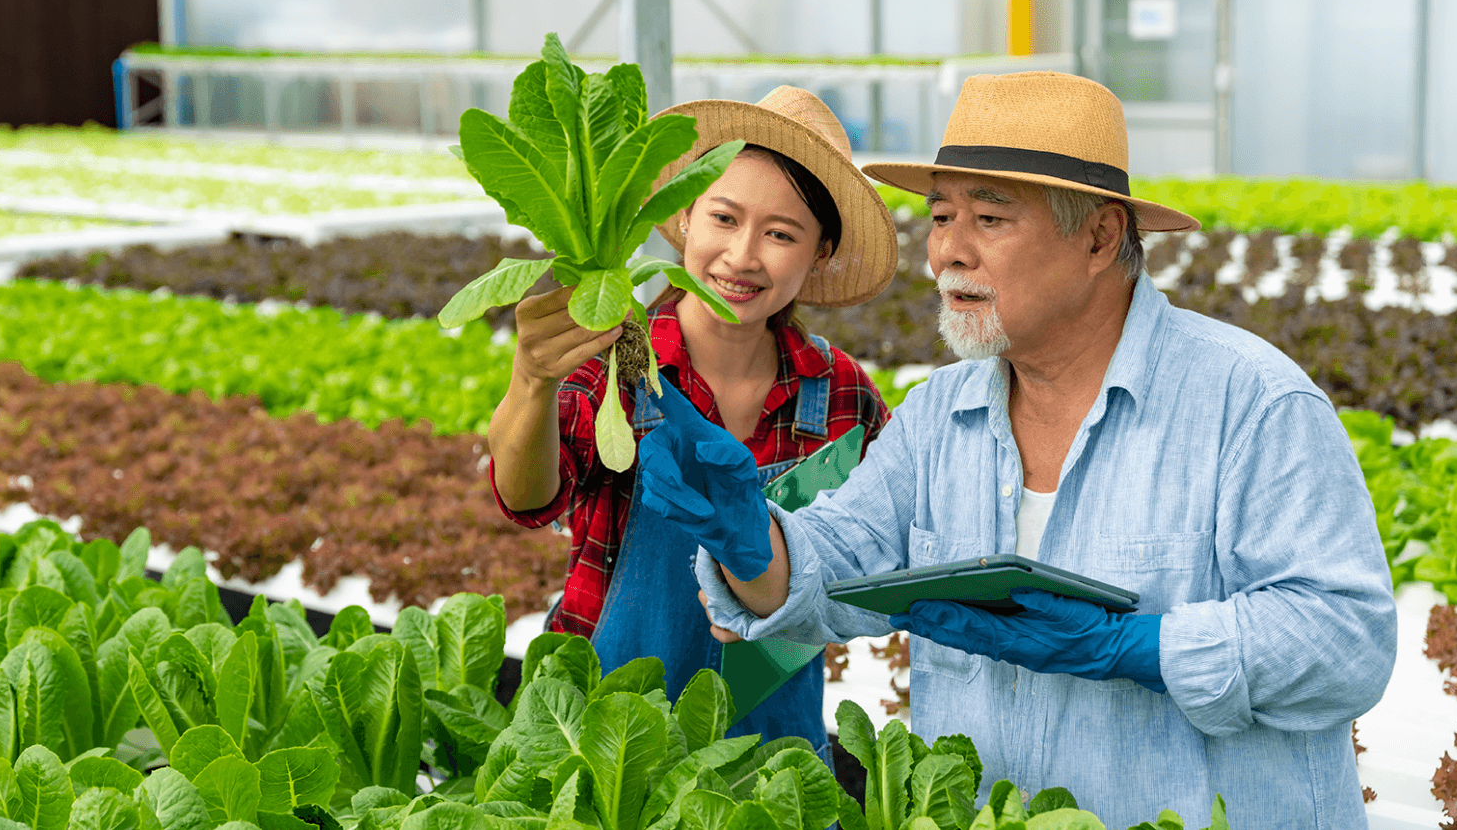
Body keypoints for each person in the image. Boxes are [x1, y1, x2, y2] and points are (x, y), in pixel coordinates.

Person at [641, 72, 1397, 829]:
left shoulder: (1251, 405)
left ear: (1100, 237)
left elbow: (1348, 639)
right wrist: (750, 536)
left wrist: (1140, 645)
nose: (946, 254)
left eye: (990, 220)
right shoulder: (941, 417)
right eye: (940, 217)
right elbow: (835, 565)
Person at [487, 85, 900, 757]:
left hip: (770, 753)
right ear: (685, 218)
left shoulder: (843, 394)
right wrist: (531, 381)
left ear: (819, 254)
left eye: (780, 234)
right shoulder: (614, 361)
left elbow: (869, 565)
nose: (742, 255)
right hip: (609, 742)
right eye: (725, 219)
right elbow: (529, 498)